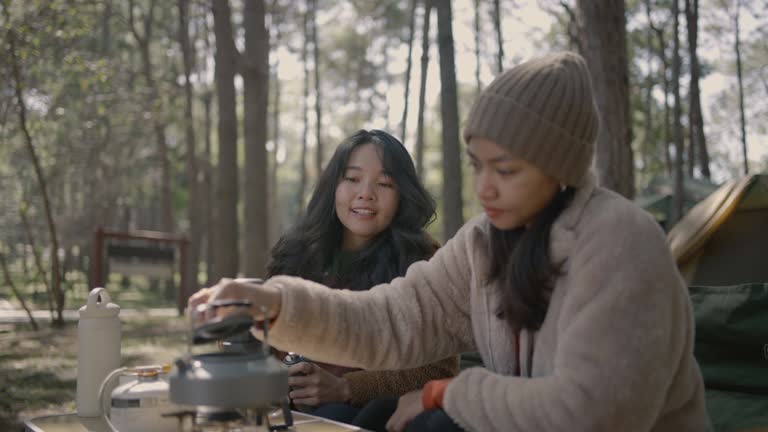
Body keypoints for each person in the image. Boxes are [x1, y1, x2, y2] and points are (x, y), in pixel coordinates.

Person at [191, 53, 711, 432]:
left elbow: (593, 413)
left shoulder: (622, 241)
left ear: (561, 169)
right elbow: (387, 320)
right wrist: (276, 303)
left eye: (505, 169)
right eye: (477, 165)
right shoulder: (483, 243)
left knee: (433, 422)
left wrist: (447, 391)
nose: (484, 187)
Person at [264, 129, 458, 424]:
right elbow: (264, 349)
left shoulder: (423, 259)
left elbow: (439, 370)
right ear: (333, 186)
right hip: (291, 413)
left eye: (384, 183)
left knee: (339, 414)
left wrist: (346, 387)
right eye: (352, 179)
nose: (366, 193)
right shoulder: (296, 254)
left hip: (376, 414)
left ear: (402, 195)